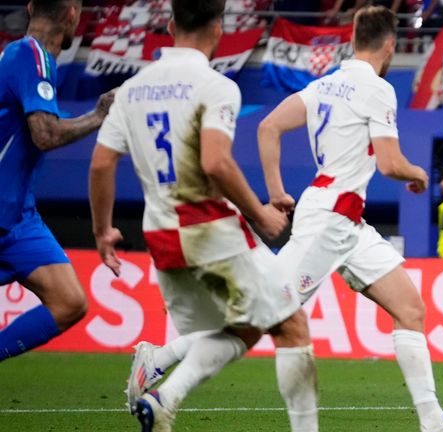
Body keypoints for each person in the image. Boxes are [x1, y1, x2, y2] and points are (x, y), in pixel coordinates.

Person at [257, 6, 443, 432]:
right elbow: (389, 163)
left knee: (410, 308)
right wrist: (418, 173)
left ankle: (433, 420)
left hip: (347, 220)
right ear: (390, 45)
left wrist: (276, 192)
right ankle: (163, 363)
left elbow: (267, 128)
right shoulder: (378, 88)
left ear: (352, 40)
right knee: (265, 311)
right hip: (329, 217)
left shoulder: (322, 85)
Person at [88, 0, 317, 430]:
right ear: (219, 29)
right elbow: (215, 162)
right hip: (208, 229)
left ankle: (162, 388)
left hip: (161, 236)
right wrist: (261, 215)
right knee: (291, 325)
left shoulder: (132, 89)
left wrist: (102, 232)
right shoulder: (216, 86)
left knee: (244, 327)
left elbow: (101, 163)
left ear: (171, 25)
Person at [0, 0, 115, 362]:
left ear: (32, 7)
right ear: (72, 15)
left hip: (19, 215)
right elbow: (45, 134)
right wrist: (98, 115)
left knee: (69, 302)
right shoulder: (29, 55)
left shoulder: (32, 59)